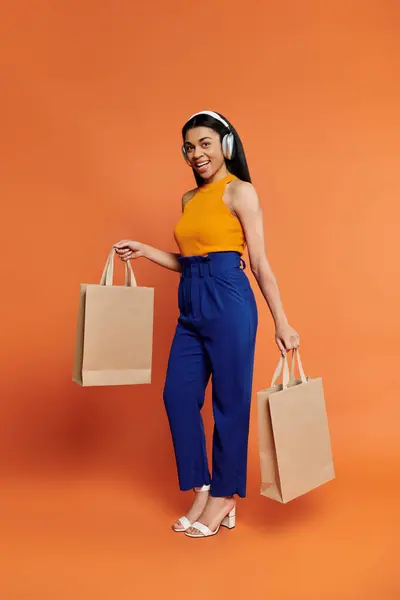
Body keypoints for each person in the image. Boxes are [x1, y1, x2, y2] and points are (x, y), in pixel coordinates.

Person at [114, 110, 300, 538]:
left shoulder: (240, 193)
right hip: (192, 304)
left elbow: (258, 263)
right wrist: (144, 250)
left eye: (205, 144)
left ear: (226, 145)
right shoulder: (189, 199)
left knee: (229, 405)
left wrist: (282, 322)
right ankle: (203, 488)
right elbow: (188, 261)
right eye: (189, 147)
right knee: (178, 397)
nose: (196, 154)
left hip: (230, 301)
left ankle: (224, 497)